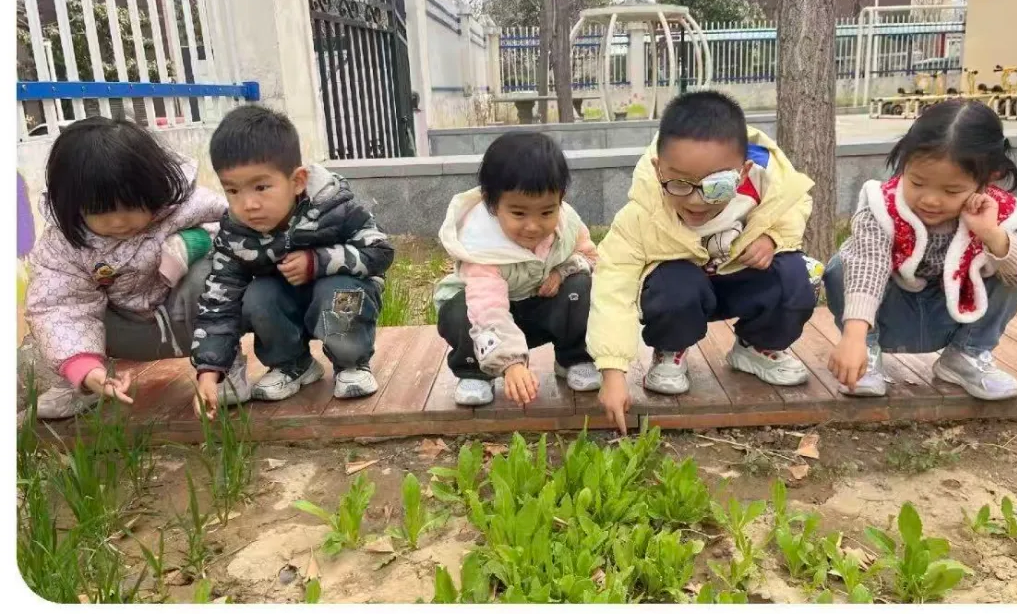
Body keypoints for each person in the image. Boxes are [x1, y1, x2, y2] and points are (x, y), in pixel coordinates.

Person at [589, 91, 818, 434]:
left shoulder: (768, 185)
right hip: (682, 293)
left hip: (740, 278)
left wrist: (772, 238)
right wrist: (612, 370)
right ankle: (670, 349)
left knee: (795, 276)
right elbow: (612, 288)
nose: (696, 200)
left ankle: (757, 345)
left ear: (742, 173)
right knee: (673, 283)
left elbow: (794, 206)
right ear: (658, 169)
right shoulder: (641, 216)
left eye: (716, 186)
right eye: (680, 183)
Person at [824, 100, 1017, 400]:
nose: (930, 200)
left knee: (1014, 259)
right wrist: (854, 336)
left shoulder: (999, 213)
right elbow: (868, 264)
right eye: (917, 182)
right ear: (904, 161)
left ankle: (966, 354)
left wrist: (993, 235)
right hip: (890, 315)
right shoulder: (883, 207)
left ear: (988, 179)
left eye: (951, 190)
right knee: (842, 265)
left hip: (956, 319)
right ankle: (866, 353)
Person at [191, 105, 394, 417]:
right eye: (233, 190)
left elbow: (380, 250)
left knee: (341, 291)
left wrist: (318, 262)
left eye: (261, 187)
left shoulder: (333, 207)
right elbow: (219, 300)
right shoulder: (235, 234)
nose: (249, 204)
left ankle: (352, 364)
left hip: (338, 296)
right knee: (258, 295)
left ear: (298, 181)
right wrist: (208, 369)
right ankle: (293, 364)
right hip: (285, 303)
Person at [24, 116, 232, 419]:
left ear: (153, 189)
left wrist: (196, 241)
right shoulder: (64, 246)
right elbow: (58, 307)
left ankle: (224, 367)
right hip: (124, 333)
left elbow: (237, 226)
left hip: (187, 322)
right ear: (72, 205)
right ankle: (86, 383)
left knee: (215, 272)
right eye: (100, 211)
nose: (119, 221)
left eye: (132, 206)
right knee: (59, 317)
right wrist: (86, 369)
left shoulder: (186, 206)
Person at [434, 132, 601, 407]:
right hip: (486, 323)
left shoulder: (567, 225)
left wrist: (561, 272)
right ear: (492, 203)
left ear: (561, 198)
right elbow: (488, 310)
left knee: (582, 285)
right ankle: (475, 371)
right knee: (459, 312)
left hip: (539, 313)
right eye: (519, 214)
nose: (533, 226)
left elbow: (591, 257)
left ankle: (574, 357)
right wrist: (511, 363)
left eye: (546, 212)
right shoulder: (482, 247)